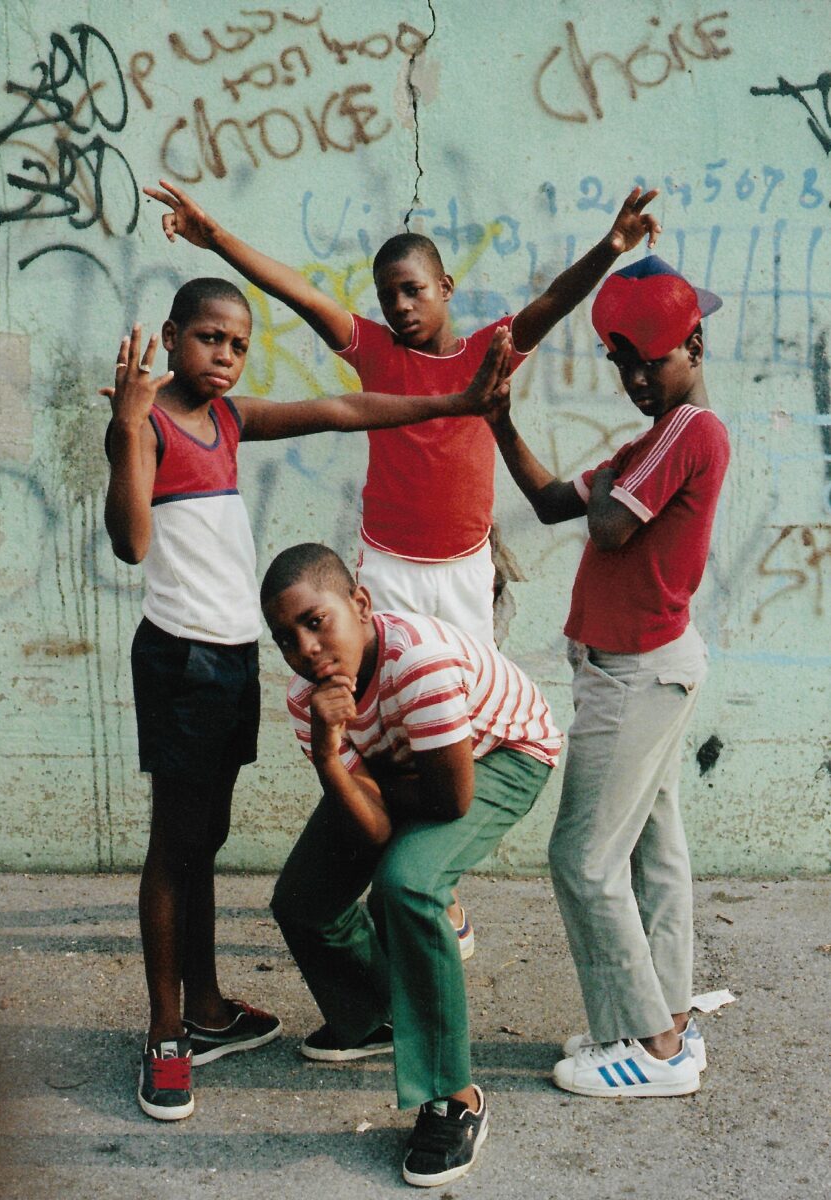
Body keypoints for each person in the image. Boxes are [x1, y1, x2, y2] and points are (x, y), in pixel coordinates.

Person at [143, 177, 660, 946]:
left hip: (461, 571)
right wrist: (215, 238)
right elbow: (293, 291)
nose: (401, 308)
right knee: (383, 729)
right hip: (386, 572)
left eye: (413, 291)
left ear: (445, 287)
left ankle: (436, 881)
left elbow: (553, 300)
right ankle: (388, 874)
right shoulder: (377, 351)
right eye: (388, 297)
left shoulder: (490, 351)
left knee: (458, 734)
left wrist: (610, 249)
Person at [102, 278, 514, 1121]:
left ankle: (210, 1008)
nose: (225, 355)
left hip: (227, 662)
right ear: (173, 336)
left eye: (239, 345)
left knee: (203, 838)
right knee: (173, 845)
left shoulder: (225, 420)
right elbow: (132, 540)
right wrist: (125, 430)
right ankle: (166, 1034)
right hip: (180, 661)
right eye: (209, 338)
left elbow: (340, 408)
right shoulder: (146, 424)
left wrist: (455, 402)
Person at [485, 254, 730, 1097]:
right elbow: (559, 502)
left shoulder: (689, 432)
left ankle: (652, 1049)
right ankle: (663, 1023)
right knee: (651, 852)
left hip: (636, 676)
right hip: (636, 673)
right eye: (620, 362)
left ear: (694, 344)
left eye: (649, 361)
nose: (633, 379)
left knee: (583, 860)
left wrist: (620, 476)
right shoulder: (653, 437)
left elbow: (610, 527)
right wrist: (497, 420)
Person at [260, 543, 562, 1186]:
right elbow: (369, 828)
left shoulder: (416, 661)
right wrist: (326, 753)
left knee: (407, 886)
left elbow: (451, 799)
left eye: (316, 621)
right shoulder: (307, 700)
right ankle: (376, 1014)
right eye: (288, 639)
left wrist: (374, 782)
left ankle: (454, 1096)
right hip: (414, 767)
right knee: (304, 901)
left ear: (360, 605)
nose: (307, 649)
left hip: (501, 753)